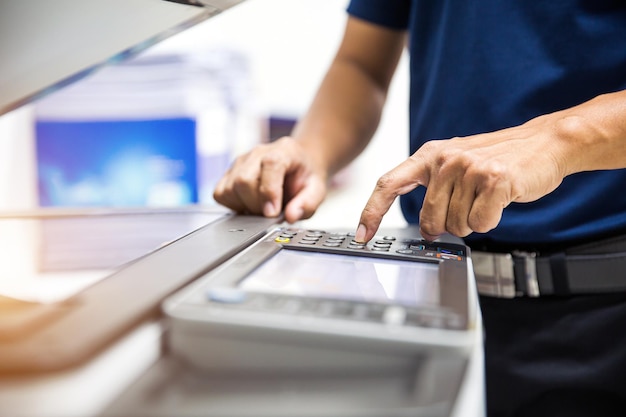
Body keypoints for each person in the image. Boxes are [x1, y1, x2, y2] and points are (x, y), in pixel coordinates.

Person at [214, 1, 626, 416]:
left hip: (603, 315)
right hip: (434, 296)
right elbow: (361, 64)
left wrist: (559, 140)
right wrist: (311, 151)